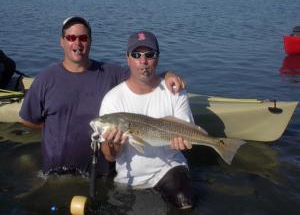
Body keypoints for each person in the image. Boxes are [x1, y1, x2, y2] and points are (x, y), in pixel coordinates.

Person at [19, 16, 185, 177]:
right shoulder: (45, 79)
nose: (77, 43)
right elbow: (27, 120)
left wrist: (168, 74)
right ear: (61, 41)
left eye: (83, 38)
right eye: (71, 37)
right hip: (55, 172)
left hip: (100, 173)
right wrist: (54, 129)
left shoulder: (109, 73)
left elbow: (142, 71)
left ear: (90, 41)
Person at [99, 31, 200, 210]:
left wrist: (182, 142)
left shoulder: (174, 90)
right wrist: (112, 145)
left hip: (169, 168)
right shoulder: (112, 99)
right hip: (130, 178)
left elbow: (186, 130)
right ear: (127, 58)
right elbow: (109, 156)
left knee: (184, 202)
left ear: (158, 58)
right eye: (136, 55)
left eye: (149, 55)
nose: (143, 61)